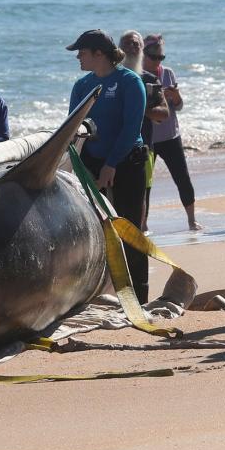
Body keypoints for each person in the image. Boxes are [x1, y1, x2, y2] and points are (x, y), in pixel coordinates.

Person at [67, 29, 151, 303]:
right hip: (91, 164)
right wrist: (80, 167)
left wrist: (111, 164)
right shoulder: (82, 85)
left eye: (82, 52)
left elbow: (131, 128)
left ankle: (140, 297)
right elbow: (72, 127)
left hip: (127, 161)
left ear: (98, 54)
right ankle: (102, 294)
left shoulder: (129, 81)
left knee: (129, 229)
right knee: (93, 230)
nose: (78, 57)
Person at [141, 34, 201, 231]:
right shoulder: (136, 76)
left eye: (161, 57)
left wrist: (175, 96)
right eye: (154, 56)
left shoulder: (168, 73)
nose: (158, 61)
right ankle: (143, 225)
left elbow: (179, 106)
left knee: (182, 178)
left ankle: (192, 220)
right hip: (147, 140)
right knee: (144, 186)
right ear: (143, 53)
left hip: (170, 136)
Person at [120, 30, 169, 232]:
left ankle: (141, 234)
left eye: (136, 44)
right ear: (119, 49)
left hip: (143, 148)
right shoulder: (111, 78)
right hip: (112, 147)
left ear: (142, 49)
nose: (132, 48)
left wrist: (141, 109)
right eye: (127, 44)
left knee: (142, 195)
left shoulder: (149, 80)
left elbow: (164, 113)